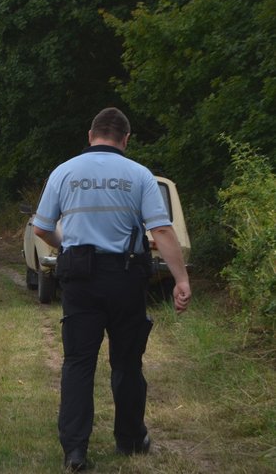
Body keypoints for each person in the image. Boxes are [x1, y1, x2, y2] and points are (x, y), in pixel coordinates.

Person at [32, 107, 191, 472]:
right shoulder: (140, 175)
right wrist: (181, 279)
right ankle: (131, 439)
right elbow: (162, 231)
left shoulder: (64, 171)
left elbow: (41, 228)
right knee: (127, 363)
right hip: (125, 279)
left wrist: (68, 244)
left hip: (80, 280)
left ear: (90, 135)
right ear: (126, 139)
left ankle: (75, 452)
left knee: (78, 364)